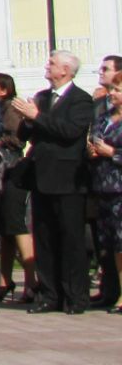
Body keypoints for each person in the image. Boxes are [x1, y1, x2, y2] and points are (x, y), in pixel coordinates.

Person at [10, 50, 94, 313]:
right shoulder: (43, 97)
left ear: (66, 70)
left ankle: (75, 296)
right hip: (42, 177)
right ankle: (49, 295)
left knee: (71, 239)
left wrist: (36, 116)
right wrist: (25, 118)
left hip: (68, 179)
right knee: (44, 238)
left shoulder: (81, 99)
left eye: (53, 63)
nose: (48, 66)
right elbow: (28, 134)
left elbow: (69, 132)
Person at [0, 71, 35, 303]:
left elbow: (18, 139)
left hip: (13, 170)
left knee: (17, 225)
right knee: (4, 227)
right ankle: (5, 280)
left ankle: (31, 281)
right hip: (0, 173)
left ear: (4, 89)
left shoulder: (12, 109)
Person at [89, 79, 122, 315]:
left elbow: (112, 150)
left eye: (117, 89)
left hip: (120, 188)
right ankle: (111, 291)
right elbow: (93, 139)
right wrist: (92, 150)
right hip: (102, 186)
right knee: (108, 245)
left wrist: (112, 152)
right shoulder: (104, 117)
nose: (112, 93)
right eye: (111, 89)